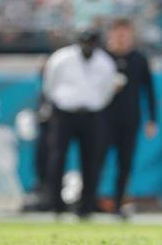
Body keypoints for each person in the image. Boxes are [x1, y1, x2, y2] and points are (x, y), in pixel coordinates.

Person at [43, 29, 117, 217]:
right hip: (65, 114)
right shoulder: (62, 58)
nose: (88, 48)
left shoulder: (105, 62)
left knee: (91, 161)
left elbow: (107, 90)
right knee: (57, 158)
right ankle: (56, 205)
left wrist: (96, 104)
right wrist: (58, 103)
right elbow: (50, 85)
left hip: (91, 115)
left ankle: (86, 207)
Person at [97, 18, 158, 218]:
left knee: (125, 163)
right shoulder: (101, 58)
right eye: (118, 33)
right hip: (103, 118)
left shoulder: (139, 59)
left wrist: (152, 119)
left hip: (130, 118)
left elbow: (148, 90)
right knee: (96, 159)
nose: (121, 38)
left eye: (125, 33)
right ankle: (90, 200)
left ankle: (118, 203)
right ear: (111, 35)